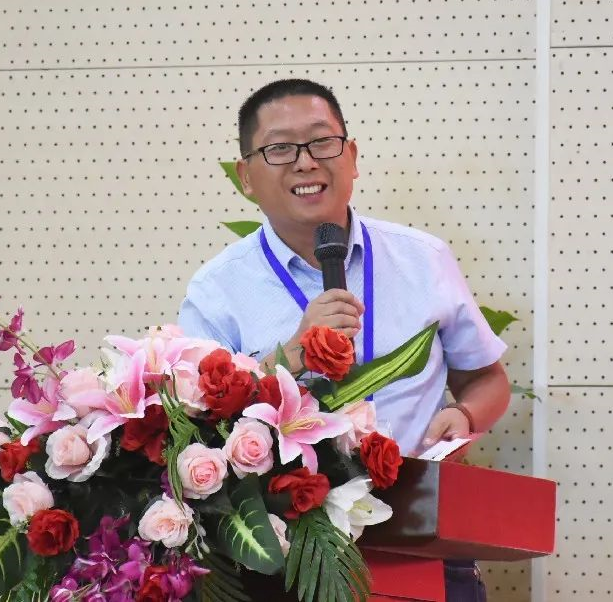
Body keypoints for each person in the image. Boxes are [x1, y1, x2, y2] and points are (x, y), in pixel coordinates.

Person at [178, 78, 511, 601]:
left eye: (322, 142)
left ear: (351, 156)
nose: (306, 162)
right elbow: (193, 433)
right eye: (280, 148)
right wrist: (290, 355)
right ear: (246, 176)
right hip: (294, 554)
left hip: (421, 535)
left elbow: (487, 379)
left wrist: (465, 415)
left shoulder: (423, 259)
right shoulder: (218, 289)